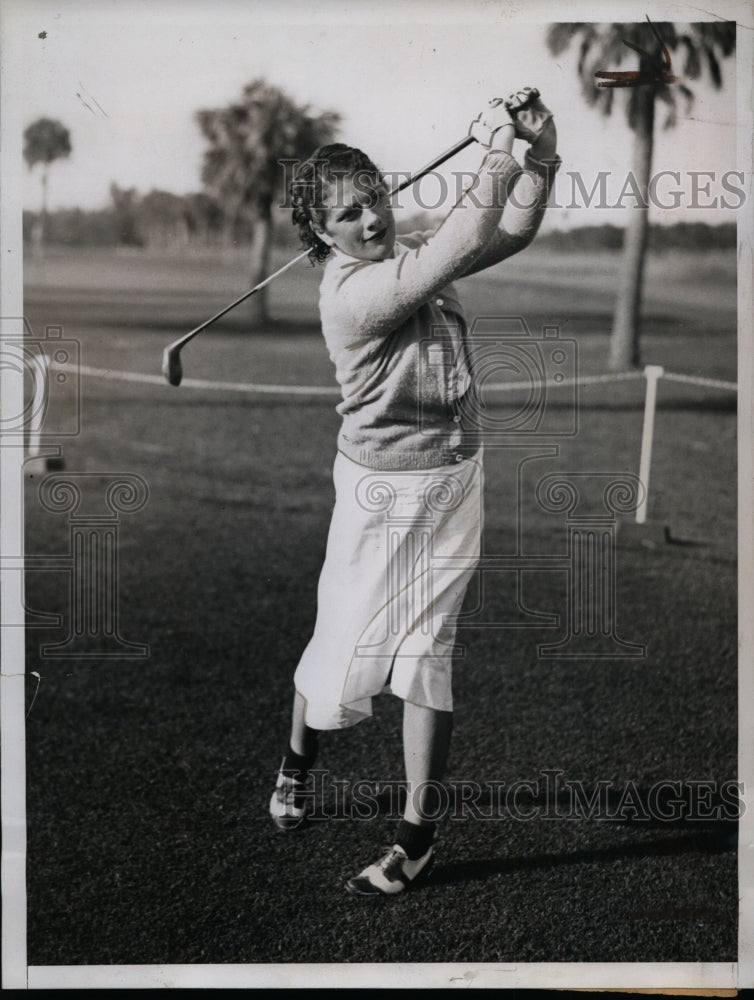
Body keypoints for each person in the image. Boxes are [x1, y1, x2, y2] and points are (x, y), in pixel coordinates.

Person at [270, 89, 559, 896]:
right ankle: (298, 764)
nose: (372, 220)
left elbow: (507, 230)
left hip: (452, 482)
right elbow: (451, 246)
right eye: (350, 215)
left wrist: (539, 154)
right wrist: (493, 150)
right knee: (339, 647)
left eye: (376, 201)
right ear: (321, 237)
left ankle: (415, 839)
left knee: (428, 655)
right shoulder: (354, 295)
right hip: (375, 491)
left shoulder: (406, 264)